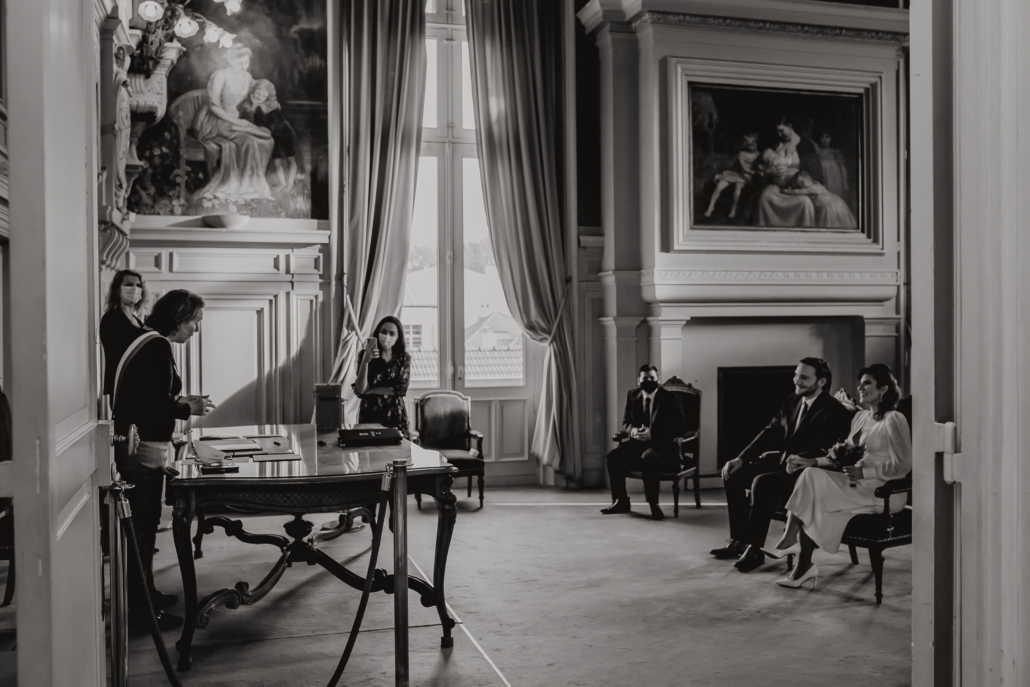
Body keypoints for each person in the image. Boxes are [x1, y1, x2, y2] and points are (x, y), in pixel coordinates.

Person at [113, 290, 215, 630]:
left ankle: (146, 594)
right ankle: (141, 611)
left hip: (143, 445)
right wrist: (188, 408)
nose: (196, 329)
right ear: (180, 318)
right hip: (143, 448)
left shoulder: (147, 339)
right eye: (195, 322)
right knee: (142, 526)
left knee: (146, 522)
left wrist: (182, 400)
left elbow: (149, 394)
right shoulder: (156, 345)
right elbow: (153, 404)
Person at [764, 364, 912, 589]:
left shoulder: (894, 419)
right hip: (856, 484)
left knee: (814, 497)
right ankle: (796, 551)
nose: (860, 387)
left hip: (884, 492)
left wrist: (866, 471)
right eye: (860, 383)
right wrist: (813, 461)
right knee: (810, 474)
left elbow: (904, 465)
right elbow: (843, 454)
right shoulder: (860, 417)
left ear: (883, 388)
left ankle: (798, 556)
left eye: (867, 383)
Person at [711, 357, 854, 572]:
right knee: (733, 474)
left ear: (822, 382)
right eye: (796, 375)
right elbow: (770, 431)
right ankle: (739, 540)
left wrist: (803, 459)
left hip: (807, 474)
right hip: (783, 465)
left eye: (804, 377)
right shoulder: (792, 400)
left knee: (762, 483)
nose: (797, 380)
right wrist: (741, 458)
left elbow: (832, 451)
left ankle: (754, 549)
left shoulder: (834, 410)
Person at [600, 365, 686, 521]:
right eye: (645, 378)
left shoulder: (670, 398)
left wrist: (652, 434)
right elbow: (625, 422)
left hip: (661, 445)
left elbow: (678, 427)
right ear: (638, 380)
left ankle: (654, 505)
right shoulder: (632, 395)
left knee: (648, 458)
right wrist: (633, 431)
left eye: (652, 378)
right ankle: (620, 501)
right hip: (637, 443)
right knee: (613, 457)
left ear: (658, 379)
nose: (649, 381)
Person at [192, 44, 275, 203]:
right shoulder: (221, 76)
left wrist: (269, 103)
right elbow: (213, 106)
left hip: (240, 121)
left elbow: (261, 90)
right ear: (230, 60)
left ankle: (255, 186)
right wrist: (236, 121)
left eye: (246, 62)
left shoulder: (248, 77)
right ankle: (238, 187)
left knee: (267, 140)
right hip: (218, 121)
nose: (243, 66)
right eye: (240, 63)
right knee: (248, 140)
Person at [353, 316, 411, 438]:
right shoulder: (364, 355)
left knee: (398, 448)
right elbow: (360, 389)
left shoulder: (403, 358)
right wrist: (365, 361)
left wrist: (370, 390)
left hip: (395, 414)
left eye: (392, 333)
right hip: (370, 413)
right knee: (370, 448)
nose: (387, 337)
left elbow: (401, 389)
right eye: (383, 332)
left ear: (398, 337)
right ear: (378, 333)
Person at [754, 118, 817, 227]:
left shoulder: (805, 145)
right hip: (776, 186)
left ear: (790, 127)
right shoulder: (776, 144)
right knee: (764, 198)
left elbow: (813, 170)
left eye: (781, 130)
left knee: (805, 202)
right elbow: (760, 165)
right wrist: (769, 171)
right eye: (777, 132)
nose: (779, 134)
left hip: (796, 185)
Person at [241, 80, 299, 191]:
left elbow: (277, 124)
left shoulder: (272, 105)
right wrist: (254, 106)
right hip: (272, 137)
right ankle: (282, 183)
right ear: (253, 92)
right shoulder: (249, 105)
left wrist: (265, 130)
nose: (260, 97)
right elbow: (251, 122)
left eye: (264, 96)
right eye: (258, 94)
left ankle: (290, 184)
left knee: (290, 158)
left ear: (268, 96)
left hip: (285, 133)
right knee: (277, 162)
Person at [99, 270, 148, 399]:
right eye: (129, 284)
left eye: (138, 285)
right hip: (123, 386)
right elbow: (118, 353)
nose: (135, 289)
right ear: (117, 289)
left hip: (141, 384)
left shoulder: (138, 320)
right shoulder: (111, 318)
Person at [704, 132, 760, 219]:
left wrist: (759, 170)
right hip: (736, 173)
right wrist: (755, 173)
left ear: (754, 141)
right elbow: (743, 168)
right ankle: (710, 207)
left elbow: (757, 166)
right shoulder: (741, 153)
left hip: (745, 177)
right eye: (745, 141)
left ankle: (734, 209)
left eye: (748, 141)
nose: (746, 143)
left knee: (737, 188)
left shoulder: (758, 154)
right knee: (719, 187)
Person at [781, 171, 857, 229]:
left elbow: (796, 192)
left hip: (830, 206)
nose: (803, 183)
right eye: (800, 183)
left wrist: (786, 191)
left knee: (833, 225)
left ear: (809, 179)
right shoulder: (816, 184)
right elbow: (798, 191)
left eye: (803, 181)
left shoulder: (812, 188)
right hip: (836, 201)